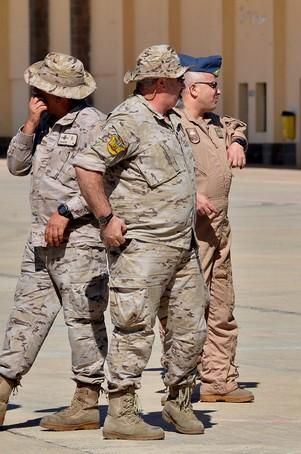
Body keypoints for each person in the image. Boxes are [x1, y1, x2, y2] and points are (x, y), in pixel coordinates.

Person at [73, 44, 209, 440]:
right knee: (134, 328)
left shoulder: (170, 120)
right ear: (163, 81)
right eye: (180, 78)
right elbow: (88, 165)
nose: (186, 84)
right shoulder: (129, 120)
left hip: (182, 247)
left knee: (190, 328)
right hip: (142, 249)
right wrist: (105, 218)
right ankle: (122, 411)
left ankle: (178, 401)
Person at [0, 52, 108, 430]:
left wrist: (67, 210)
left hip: (79, 242)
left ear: (58, 91)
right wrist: (30, 124)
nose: (34, 90)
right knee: (25, 316)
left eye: (41, 87)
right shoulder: (45, 122)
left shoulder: (94, 124)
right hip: (40, 241)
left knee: (83, 319)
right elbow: (16, 166)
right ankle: (2, 389)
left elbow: (105, 181)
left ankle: (86, 402)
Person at [170, 53, 253, 404]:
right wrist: (192, 195)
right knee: (187, 308)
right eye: (212, 85)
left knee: (222, 305)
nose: (218, 91)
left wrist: (237, 142)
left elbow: (237, 126)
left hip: (219, 229)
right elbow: (157, 174)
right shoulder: (169, 124)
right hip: (190, 232)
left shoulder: (215, 123)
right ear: (191, 89)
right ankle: (181, 381)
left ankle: (219, 378)